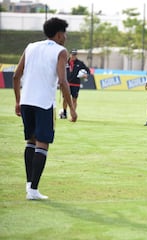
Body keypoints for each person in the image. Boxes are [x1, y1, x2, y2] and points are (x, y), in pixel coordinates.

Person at [13, 17, 77, 200]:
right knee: (42, 143)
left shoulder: (31, 46)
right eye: (64, 33)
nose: (65, 36)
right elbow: (63, 81)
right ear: (58, 34)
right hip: (44, 103)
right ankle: (33, 190)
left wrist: (18, 101)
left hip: (26, 100)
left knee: (30, 142)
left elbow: (17, 76)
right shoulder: (60, 51)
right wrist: (71, 109)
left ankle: (29, 185)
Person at [59, 48, 90, 119]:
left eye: (75, 55)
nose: (74, 56)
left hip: (76, 84)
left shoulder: (80, 63)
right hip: (66, 84)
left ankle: (73, 114)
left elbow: (87, 70)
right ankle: (64, 112)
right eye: (73, 55)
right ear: (70, 55)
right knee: (65, 99)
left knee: (74, 99)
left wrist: (86, 75)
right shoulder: (65, 62)